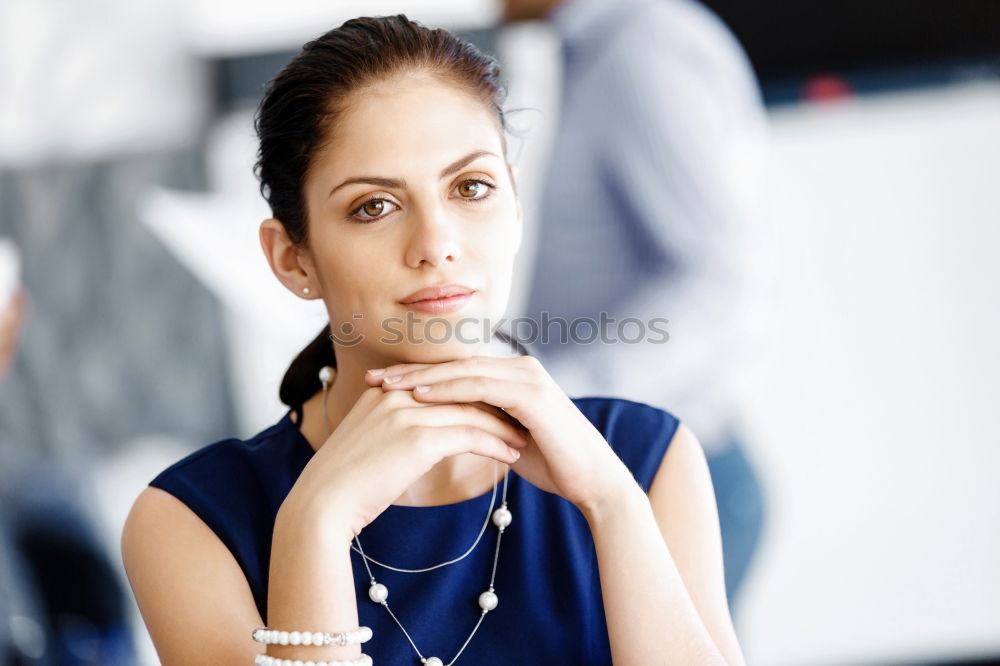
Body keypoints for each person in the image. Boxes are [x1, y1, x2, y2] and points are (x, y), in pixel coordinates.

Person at [121, 15, 746, 666]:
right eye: (374, 206)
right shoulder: (191, 521)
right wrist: (315, 524)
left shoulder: (646, 459)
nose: (436, 245)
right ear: (291, 258)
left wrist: (613, 506)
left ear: (516, 207)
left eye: (471, 187)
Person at [504, 0, 769, 617]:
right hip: (625, 463)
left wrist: (552, 396)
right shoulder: (594, 50)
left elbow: (716, 280)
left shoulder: (642, 48)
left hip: (663, 477)